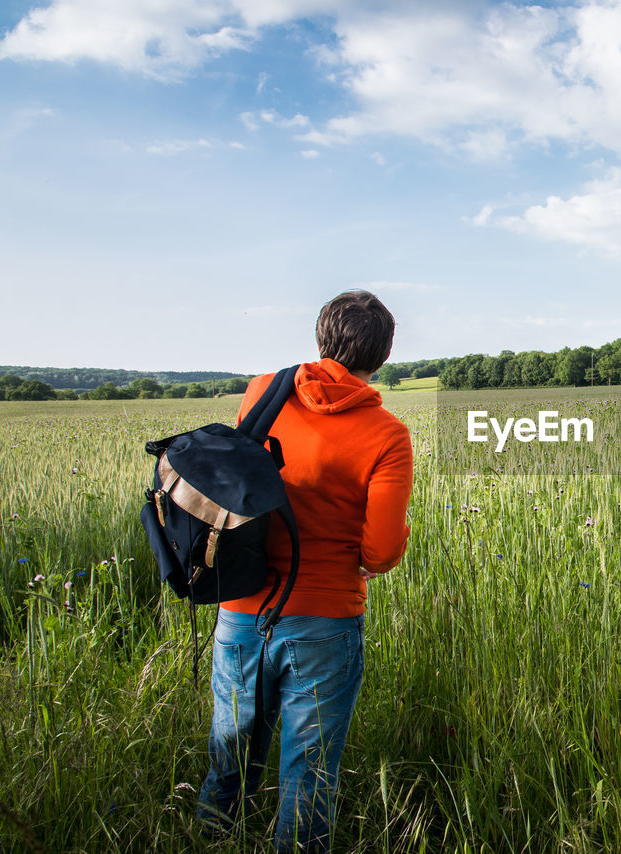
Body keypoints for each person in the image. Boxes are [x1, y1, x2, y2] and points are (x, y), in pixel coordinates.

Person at [197, 290, 414, 852]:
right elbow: (381, 553)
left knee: (230, 755)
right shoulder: (386, 434)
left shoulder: (261, 393)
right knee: (309, 773)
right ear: (384, 354)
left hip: (243, 606)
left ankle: (207, 839)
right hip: (325, 618)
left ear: (322, 334)